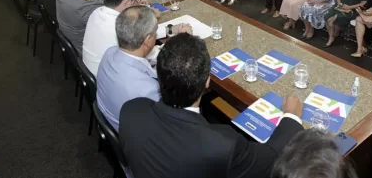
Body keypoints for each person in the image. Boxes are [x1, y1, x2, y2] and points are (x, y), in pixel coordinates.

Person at [119, 33, 303, 178]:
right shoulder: (222, 145)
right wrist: (291, 117)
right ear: (207, 81)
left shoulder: (131, 111)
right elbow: (271, 158)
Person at [97, 6, 162, 129]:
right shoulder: (148, 91)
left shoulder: (109, 53)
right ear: (148, 40)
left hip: (111, 120)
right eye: (155, 32)